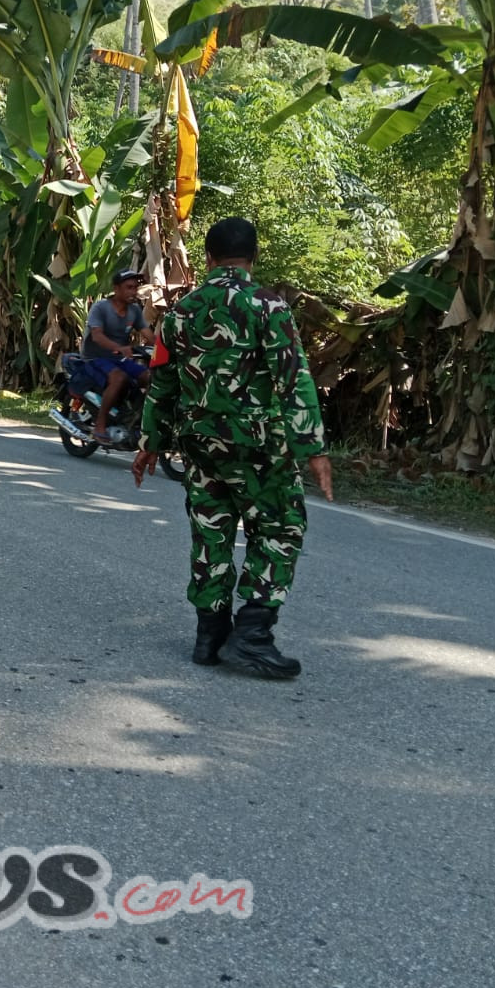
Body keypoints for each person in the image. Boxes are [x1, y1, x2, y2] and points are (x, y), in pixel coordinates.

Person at [132, 218, 333, 679]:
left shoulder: (180, 313)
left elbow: (161, 383)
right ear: (253, 257)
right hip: (258, 446)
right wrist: (314, 449)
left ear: (208, 258)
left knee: (211, 532)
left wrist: (149, 443)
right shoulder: (269, 307)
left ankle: (210, 636)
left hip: (199, 445)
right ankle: (253, 634)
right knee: (281, 529)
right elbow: (294, 380)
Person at [82, 269, 154, 443]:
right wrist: (119, 348)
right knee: (119, 378)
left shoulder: (135, 310)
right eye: (128, 287)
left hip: (119, 358)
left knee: (149, 377)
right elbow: (97, 336)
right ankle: (100, 424)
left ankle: (136, 417)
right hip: (95, 357)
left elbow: (149, 335)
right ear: (116, 289)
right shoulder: (101, 308)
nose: (133, 291)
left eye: (135, 288)